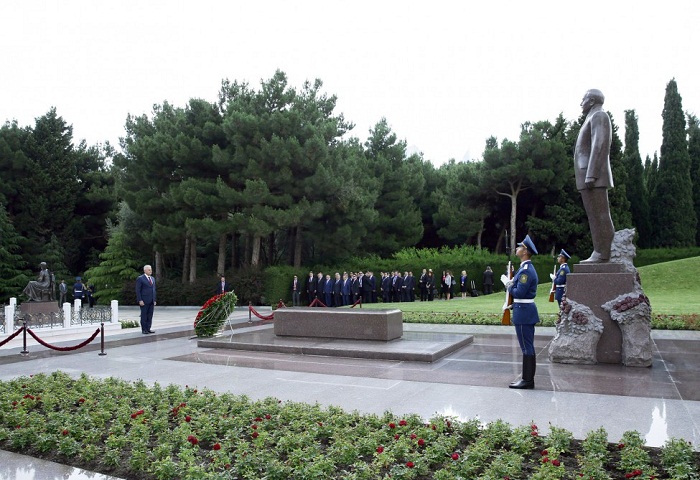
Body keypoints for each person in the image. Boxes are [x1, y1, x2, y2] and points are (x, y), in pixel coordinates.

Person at [575, 89, 615, 263]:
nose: (580, 103)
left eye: (583, 99)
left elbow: (600, 144)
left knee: (600, 214)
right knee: (593, 215)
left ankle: (604, 252)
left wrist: (591, 174)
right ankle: (599, 251)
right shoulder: (592, 117)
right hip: (587, 176)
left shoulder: (599, 116)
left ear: (591, 101)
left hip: (593, 176)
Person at [501, 234, 540, 389]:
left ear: (525, 251)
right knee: (527, 346)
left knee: (526, 347)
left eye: (519, 246)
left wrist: (508, 284)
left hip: (524, 312)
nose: (516, 248)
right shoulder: (523, 269)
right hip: (522, 310)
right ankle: (527, 379)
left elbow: (519, 293)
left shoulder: (526, 271)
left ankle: (528, 380)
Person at [136, 264, 157, 334]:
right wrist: (140, 300)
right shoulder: (140, 278)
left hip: (151, 300)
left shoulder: (153, 279)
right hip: (144, 300)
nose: (150, 271)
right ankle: (144, 329)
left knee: (150, 315)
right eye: (149, 269)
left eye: (151, 269)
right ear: (145, 270)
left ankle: (148, 328)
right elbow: (138, 290)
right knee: (144, 315)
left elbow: (154, 290)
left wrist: (154, 300)